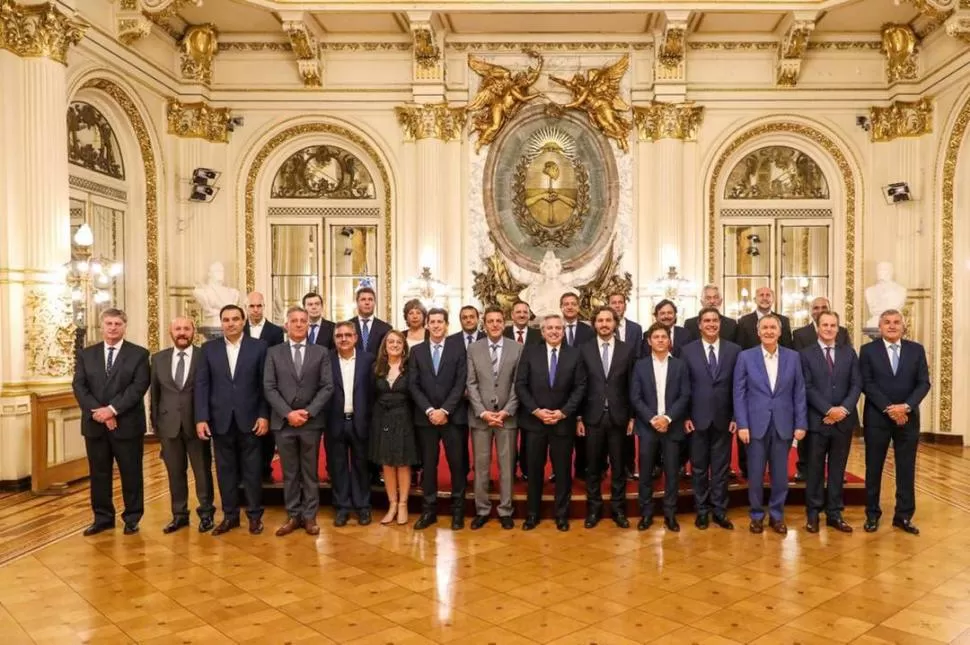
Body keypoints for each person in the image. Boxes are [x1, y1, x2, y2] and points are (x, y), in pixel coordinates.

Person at [72, 308, 151, 536]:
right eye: (109, 323)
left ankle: (132, 517)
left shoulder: (139, 354)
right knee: (99, 474)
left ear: (124, 326)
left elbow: (138, 387)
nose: (113, 327)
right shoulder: (87, 354)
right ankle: (103, 518)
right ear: (102, 326)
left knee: (131, 472)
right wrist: (100, 412)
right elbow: (79, 386)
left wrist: (112, 410)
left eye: (117, 323)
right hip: (95, 424)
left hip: (126, 423)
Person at [195, 304, 270, 536]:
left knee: (252, 471)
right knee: (225, 471)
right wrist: (201, 418)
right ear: (221, 323)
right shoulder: (208, 349)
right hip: (220, 420)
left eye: (235, 319)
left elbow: (264, 385)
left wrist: (263, 414)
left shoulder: (259, 347)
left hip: (251, 420)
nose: (231, 323)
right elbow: (202, 385)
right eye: (226, 320)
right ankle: (230, 516)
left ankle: (255, 516)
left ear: (243, 320)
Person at [733, 314, 807, 535]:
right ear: (758, 332)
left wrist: (800, 424)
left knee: (780, 475)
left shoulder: (793, 357)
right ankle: (756, 515)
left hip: (783, 424)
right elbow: (739, 393)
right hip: (755, 425)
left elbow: (799, 392)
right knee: (755, 474)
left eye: (772, 327)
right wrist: (742, 424)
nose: (768, 331)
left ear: (780, 331)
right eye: (764, 327)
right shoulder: (745, 357)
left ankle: (777, 515)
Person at [263, 306, 334, 536]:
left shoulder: (321, 352)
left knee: (310, 472)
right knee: (290, 472)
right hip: (283, 423)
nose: (299, 324)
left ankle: (310, 516)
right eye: (294, 320)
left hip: (311, 422)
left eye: (303, 320)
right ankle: (293, 515)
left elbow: (327, 386)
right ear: (287, 325)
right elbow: (269, 387)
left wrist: (308, 412)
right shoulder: (273, 352)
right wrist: (288, 413)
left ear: (308, 324)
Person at [859, 309, 930, 535]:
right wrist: (890, 408)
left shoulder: (916, 350)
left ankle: (904, 516)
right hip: (878, 418)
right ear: (880, 327)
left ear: (903, 326)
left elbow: (923, 383)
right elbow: (867, 383)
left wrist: (905, 407)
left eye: (896, 322)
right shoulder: (868, 350)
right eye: (887, 322)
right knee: (874, 468)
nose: (892, 326)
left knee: (906, 468)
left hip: (908, 418)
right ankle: (872, 514)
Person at [515, 313, 587, 531]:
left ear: (563, 331)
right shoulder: (530, 352)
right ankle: (532, 514)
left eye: (558, 328)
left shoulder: (575, 355)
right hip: (535, 422)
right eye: (550, 328)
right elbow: (520, 385)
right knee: (535, 470)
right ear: (543, 331)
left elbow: (580, 387)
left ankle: (561, 515)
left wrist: (564, 412)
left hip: (562, 423)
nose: (554, 331)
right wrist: (536, 411)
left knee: (563, 472)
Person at [150, 316, 214, 534]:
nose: (182, 332)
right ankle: (179, 515)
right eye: (178, 328)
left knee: (202, 472)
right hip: (169, 426)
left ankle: (206, 514)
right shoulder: (158, 359)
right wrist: (156, 426)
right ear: (171, 331)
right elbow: (155, 396)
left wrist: (205, 418)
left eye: (186, 328)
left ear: (193, 331)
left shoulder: (203, 356)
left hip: (197, 424)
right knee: (175, 473)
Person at [800, 311, 861, 534]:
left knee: (837, 469)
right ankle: (813, 513)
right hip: (818, 421)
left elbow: (856, 384)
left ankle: (835, 513)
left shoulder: (849, 353)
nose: (828, 328)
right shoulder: (805, 355)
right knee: (814, 469)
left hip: (843, 422)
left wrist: (842, 410)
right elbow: (807, 387)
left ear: (838, 328)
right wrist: (827, 410)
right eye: (824, 325)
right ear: (818, 327)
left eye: (833, 325)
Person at [681, 307, 741, 530]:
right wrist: (685, 415)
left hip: (724, 419)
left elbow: (738, 387)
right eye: (706, 321)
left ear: (720, 323)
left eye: (715, 320)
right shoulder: (687, 351)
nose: (711, 324)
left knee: (720, 468)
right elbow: (683, 385)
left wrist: (736, 415)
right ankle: (702, 510)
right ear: (699, 324)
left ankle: (719, 510)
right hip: (696, 419)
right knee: (698, 468)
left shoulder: (734, 350)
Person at [409, 308, 469, 530]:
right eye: (432, 321)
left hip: (452, 418)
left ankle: (458, 512)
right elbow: (413, 385)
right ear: (426, 325)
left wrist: (444, 410)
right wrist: (429, 410)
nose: (435, 325)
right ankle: (429, 510)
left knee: (457, 465)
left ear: (446, 325)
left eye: (440, 322)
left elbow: (460, 382)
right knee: (429, 466)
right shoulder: (416, 351)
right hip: (426, 419)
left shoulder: (458, 349)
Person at [578, 306, 635, 529]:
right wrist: (579, 418)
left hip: (619, 417)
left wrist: (631, 416)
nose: (604, 324)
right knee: (593, 467)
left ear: (615, 323)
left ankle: (618, 510)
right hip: (592, 417)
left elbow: (631, 385)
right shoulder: (584, 349)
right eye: (600, 320)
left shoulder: (627, 350)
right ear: (594, 324)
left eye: (608, 320)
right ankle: (594, 510)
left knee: (619, 467)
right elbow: (580, 385)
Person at [631, 323, 691, 532]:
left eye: (663, 337)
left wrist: (667, 418)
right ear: (649, 341)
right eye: (655, 337)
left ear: (669, 340)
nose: (659, 340)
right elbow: (635, 397)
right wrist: (652, 419)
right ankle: (646, 514)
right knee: (646, 473)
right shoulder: (640, 365)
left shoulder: (680, 365)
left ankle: (670, 514)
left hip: (672, 427)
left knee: (672, 474)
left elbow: (685, 395)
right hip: (648, 427)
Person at [467, 306, 523, 530]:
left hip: (506, 417)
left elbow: (518, 384)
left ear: (504, 322)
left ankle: (505, 509)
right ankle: (481, 510)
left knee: (506, 466)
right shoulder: (473, 348)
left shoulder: (517, 348)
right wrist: (483, 412)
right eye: (490, 321)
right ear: (484, 323)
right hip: (481, 418)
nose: (495, 324)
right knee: (481, 466)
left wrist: (506, 411)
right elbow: (470, 383)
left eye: (499, 320)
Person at [734, 286, 793, 480]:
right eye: (761, 295)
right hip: (754, 382)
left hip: (778, 379)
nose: (765, 298)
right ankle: (747, 470)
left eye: (769, 295)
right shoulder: (744, 322)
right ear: (755, 298)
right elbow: (740, 349)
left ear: (774, 299)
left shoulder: (783, 321)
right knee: (750, 442)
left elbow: (788, 350)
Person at [791, 296, 851, 482]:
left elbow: (847, 369)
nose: (819, 310)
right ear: (811, 312)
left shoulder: (842, 332)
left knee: (837, 450)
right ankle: (803, 469)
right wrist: (825, 407)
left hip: (839, 402)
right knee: (808, 442)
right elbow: (801, 370)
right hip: (813, 401)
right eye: (815, 307)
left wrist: (839, 408)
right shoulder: (801, 334)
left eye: (823, 307)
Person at [325, 321, 376, 526]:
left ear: (355, 338)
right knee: (337, 466)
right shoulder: (326, 359)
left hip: (360, 420)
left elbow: (373, 392)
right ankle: (342, 507)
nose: (343, 339)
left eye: (348, 335)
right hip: (334, 420)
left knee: (361, 466)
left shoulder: (368, 360)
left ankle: (363, 507)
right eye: (339, 336)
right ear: (334, 339)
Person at [370, 330, 417, 526]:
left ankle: (404, 504)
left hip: (404, 417)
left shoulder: (410, 367)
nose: (395, 345)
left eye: (399, 342)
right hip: (382, 418)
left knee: (403, 461)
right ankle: (392, 504)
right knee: (387, 463)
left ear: (404, 346)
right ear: (384, 345)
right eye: (391, 341)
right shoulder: (376, 367)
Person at [244, 291, 285, 483]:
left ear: (264, 307)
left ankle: (265, 471)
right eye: (252, 306)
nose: (255, 310)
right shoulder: (240, 328)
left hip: (268, 389)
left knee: (267, 435)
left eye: (259, 306)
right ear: (246, 308)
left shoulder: (275, 332)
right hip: (245, 390)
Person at [504, 299, 541, 481]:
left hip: (530, 393)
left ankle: (527, 469)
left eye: (525, 312)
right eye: (518, 312)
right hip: (505, 393)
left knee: (528, 435)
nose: (521, 315)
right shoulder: (501, 333)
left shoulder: (538, 335)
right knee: (508, 435)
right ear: (512, 315)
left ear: (529, 315)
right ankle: (509, 469)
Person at [608, 292, 642, 482]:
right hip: (608, 382)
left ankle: (629, 466)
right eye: (613, 302)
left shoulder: (636, 329)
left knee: (628, 429)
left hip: (629, 381)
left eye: (620, 302)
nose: (617, 305)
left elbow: (638, 355)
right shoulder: (600, 328)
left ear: (625, 306)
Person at [561, 292, 593, 480]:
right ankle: (560, 472)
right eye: (566, 304)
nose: (570, 307)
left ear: (579, 307)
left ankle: (582, 470)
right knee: (561, 437)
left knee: (583, 436)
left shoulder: (588, 331)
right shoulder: (555, 328)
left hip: (584, 387)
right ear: (561, 307)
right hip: (560, 389)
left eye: (573, 303)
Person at [193, 261, 241, 328]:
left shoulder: (233, 293)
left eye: (222, 271)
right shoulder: (202, 292)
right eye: (217, 271)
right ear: (209, 274)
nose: (221, 273)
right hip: (212, 323)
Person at [864, 262, 907, 329]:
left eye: (884, 270)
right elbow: (873, 310)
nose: (880, 272)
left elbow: (894, 308)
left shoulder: (901, 290)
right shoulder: (869, 291)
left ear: (891, 272)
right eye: (878, 270)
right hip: (874, 322)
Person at [351, 286, 391, 355]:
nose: (367, 303)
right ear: (357, 303)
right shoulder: (348, 326)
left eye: (370, 299)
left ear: (374, 303)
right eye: (363, 299)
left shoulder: (386, 328)